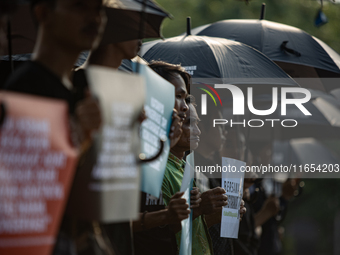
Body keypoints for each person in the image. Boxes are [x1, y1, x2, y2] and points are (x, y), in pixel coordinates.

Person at [4, 0, 107, 254]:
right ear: (43, 13)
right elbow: (26, 193)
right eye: (80, 6)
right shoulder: (26, 92)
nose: (94, 18)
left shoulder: (77, 92)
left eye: (99, 9)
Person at [132, 61, 199, 255]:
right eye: (178, 96)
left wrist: (194, 209)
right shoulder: (134, 147)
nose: (185, 107)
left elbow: (166, 230)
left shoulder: (164, 154)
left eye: (185, 98)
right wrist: (165, 216)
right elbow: (115, 221)